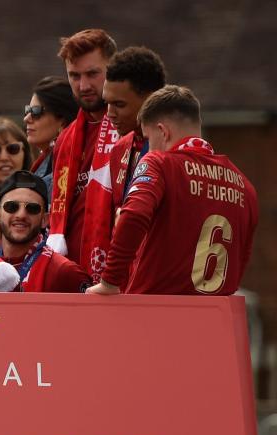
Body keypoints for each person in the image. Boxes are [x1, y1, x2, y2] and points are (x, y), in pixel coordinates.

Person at [88, 85, 257, 296]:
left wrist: (109, 282)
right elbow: (241, 258)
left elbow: (134, 215)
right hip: (215, 318)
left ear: (163, 131)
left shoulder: (158, 163)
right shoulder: (244, 185)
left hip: (157, 313)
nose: (147, 149)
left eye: (148, 140)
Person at [48, 28, 119, 276]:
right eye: (74, 76)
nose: (84, 85)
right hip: (72, 273)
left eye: (92, 74)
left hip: (119, 274)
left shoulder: (136, 129)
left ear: (114, 69)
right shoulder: (65, 139)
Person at [0, 170, 90, 292]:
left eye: (32, 208)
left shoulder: (64, 271)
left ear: (45, 219)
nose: (21, 215)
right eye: (11, 207)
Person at [102, 47, 166, 218]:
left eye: (119, 104)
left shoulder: (175, 149)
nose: (109, 113)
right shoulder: (119, 149)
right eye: (107, 103)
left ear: (151, 99)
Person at [24, 76, 79, 195]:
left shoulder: (71, 168)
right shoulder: (42, 163)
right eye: (28, 110)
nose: (26, 118)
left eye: (36, 112)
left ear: (62, 120)